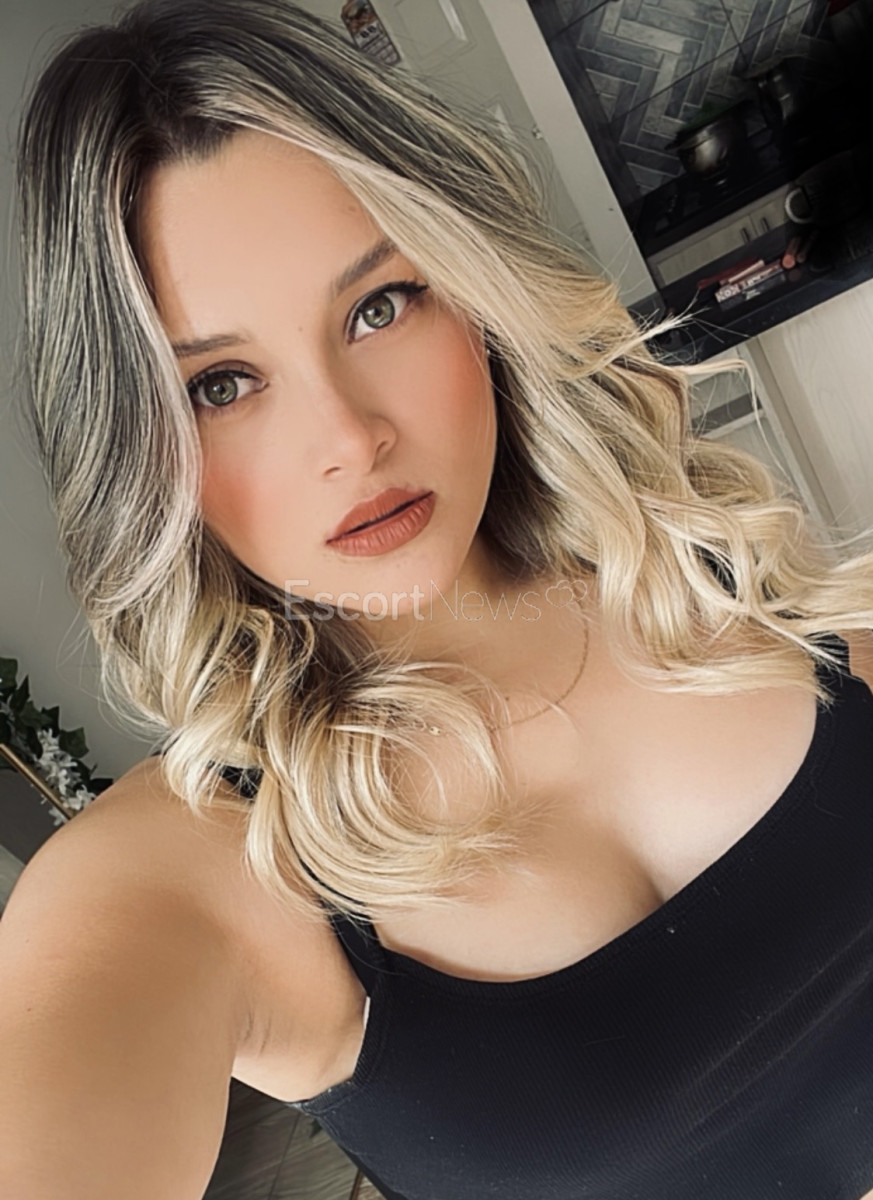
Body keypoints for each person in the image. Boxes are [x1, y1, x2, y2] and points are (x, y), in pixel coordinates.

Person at [3, 1, 873, 1197]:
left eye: (379, 307)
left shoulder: (731, 576)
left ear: (474, 294)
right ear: (136, 456)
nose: (349, 438)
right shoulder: (187, 876)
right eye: (221, 385)